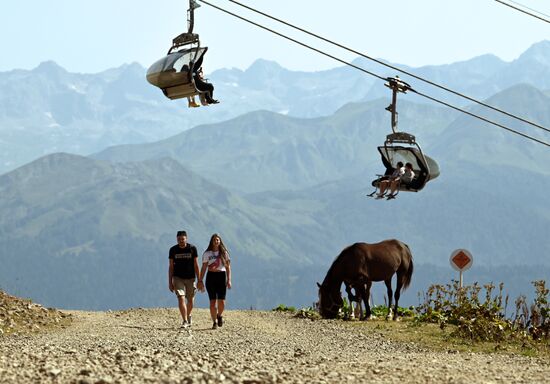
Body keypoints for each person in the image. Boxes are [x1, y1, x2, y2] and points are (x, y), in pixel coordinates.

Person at [168, 230, 200, 328]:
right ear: (176, 239)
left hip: (190, 278)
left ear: (186, 238)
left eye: (183, 239)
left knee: (190, 299)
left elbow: (196, 264)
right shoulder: (173, 250)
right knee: (181, 297)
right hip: (178, 277)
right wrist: (170, 282)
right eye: (179, 239)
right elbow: (171, 267)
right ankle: (185, 320)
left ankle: (188, 315)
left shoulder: (192, 249)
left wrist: (200, 280)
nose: (181, 241)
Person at [199, 233, 231, 329]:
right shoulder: (207, 254)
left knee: (222, 302)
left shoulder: (224, 253)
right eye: (214, 240)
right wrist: (200, 280)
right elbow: (204, 267)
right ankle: (214, 322)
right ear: (211, 242)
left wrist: (229, 279)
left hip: (221, 276)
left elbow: (228, 267)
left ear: (220, 241)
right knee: (212, 302)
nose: (216, 241)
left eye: (218, 240)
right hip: (211, 277)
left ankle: (219, 315)